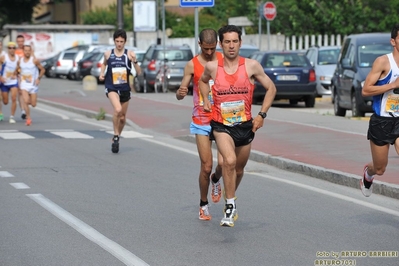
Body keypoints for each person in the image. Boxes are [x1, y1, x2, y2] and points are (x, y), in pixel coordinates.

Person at [199, 25, 276, 227]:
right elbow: (202, 81)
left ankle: (226, 190)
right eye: (227, 42)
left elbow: (271, 88)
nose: (231, 46)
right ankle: (230, 206)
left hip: (245, 125)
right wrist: (206, 100)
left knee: (239, 169)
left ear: (240, 43)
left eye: (235, 41)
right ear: (220, 44)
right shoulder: (213, 67)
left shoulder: (251, 66)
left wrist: (262, 115)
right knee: (229, 162)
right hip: (221, 124)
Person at [176, 28, 223, 221]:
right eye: (206, 48)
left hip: (223, 118)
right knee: (206, 166)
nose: (210, 52)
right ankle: (203, 204)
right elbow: (181, 90)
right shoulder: (192, 65)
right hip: (201, 119)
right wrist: (180, 93)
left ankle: (216, 180)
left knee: (222, 163)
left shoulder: (223, 60)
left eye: (213, 48)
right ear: (199, 45)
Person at [360, 24, 399, 197]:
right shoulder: (383, 62)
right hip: (382, 121)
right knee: (380, 168)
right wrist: (393, 85)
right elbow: (366, 90)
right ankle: (368, 175)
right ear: (393, 41)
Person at [99, 29, 141, 153]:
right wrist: (102, 73)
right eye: (117, 41)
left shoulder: (129, 54)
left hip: (124, 88)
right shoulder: (108, 53)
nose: (119, 44)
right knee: (117, 109)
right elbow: (104, 64)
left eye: (121, 41)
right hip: (111, 86)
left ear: (125, 41)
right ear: (114, 41)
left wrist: (135, 61)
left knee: (122, 117)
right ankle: (116, 135)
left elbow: (139, 72)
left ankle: (117, 136)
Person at [15, 44, 45, 126]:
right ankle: (28, 118)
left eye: (29, 50)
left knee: (33, 104)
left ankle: (28, 109)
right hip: (24, 84)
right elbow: (17, 69)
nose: (27, 52)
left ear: (31, 51)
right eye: (25, 50)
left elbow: (42, 70)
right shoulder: (20, 61)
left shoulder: (34, 61)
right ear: (23, 51)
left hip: (33, 85)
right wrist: (17, 74)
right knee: (25, 101)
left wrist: (38, 78)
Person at [0, 42, 20, 123]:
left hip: (13, 82)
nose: (11, 50)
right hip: (4, 82)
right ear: (8, 49)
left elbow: (20, 68)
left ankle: (12, 117)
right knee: (5, 102)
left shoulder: (18, 58)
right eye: (10, 48)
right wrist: (0, 77)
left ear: (15, 49)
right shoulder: (4, 58)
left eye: (13, 48)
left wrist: (16, 74)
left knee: (14, 98)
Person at [15, 34, 27, 120]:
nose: (20, 43)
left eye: (22, 41)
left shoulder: (27, 50)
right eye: (19, 41)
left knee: (27, 92)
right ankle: (23, 110)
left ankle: (26, 107)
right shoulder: (14, 51)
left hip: (27, 74)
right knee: (20, 92)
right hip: (18, 74)